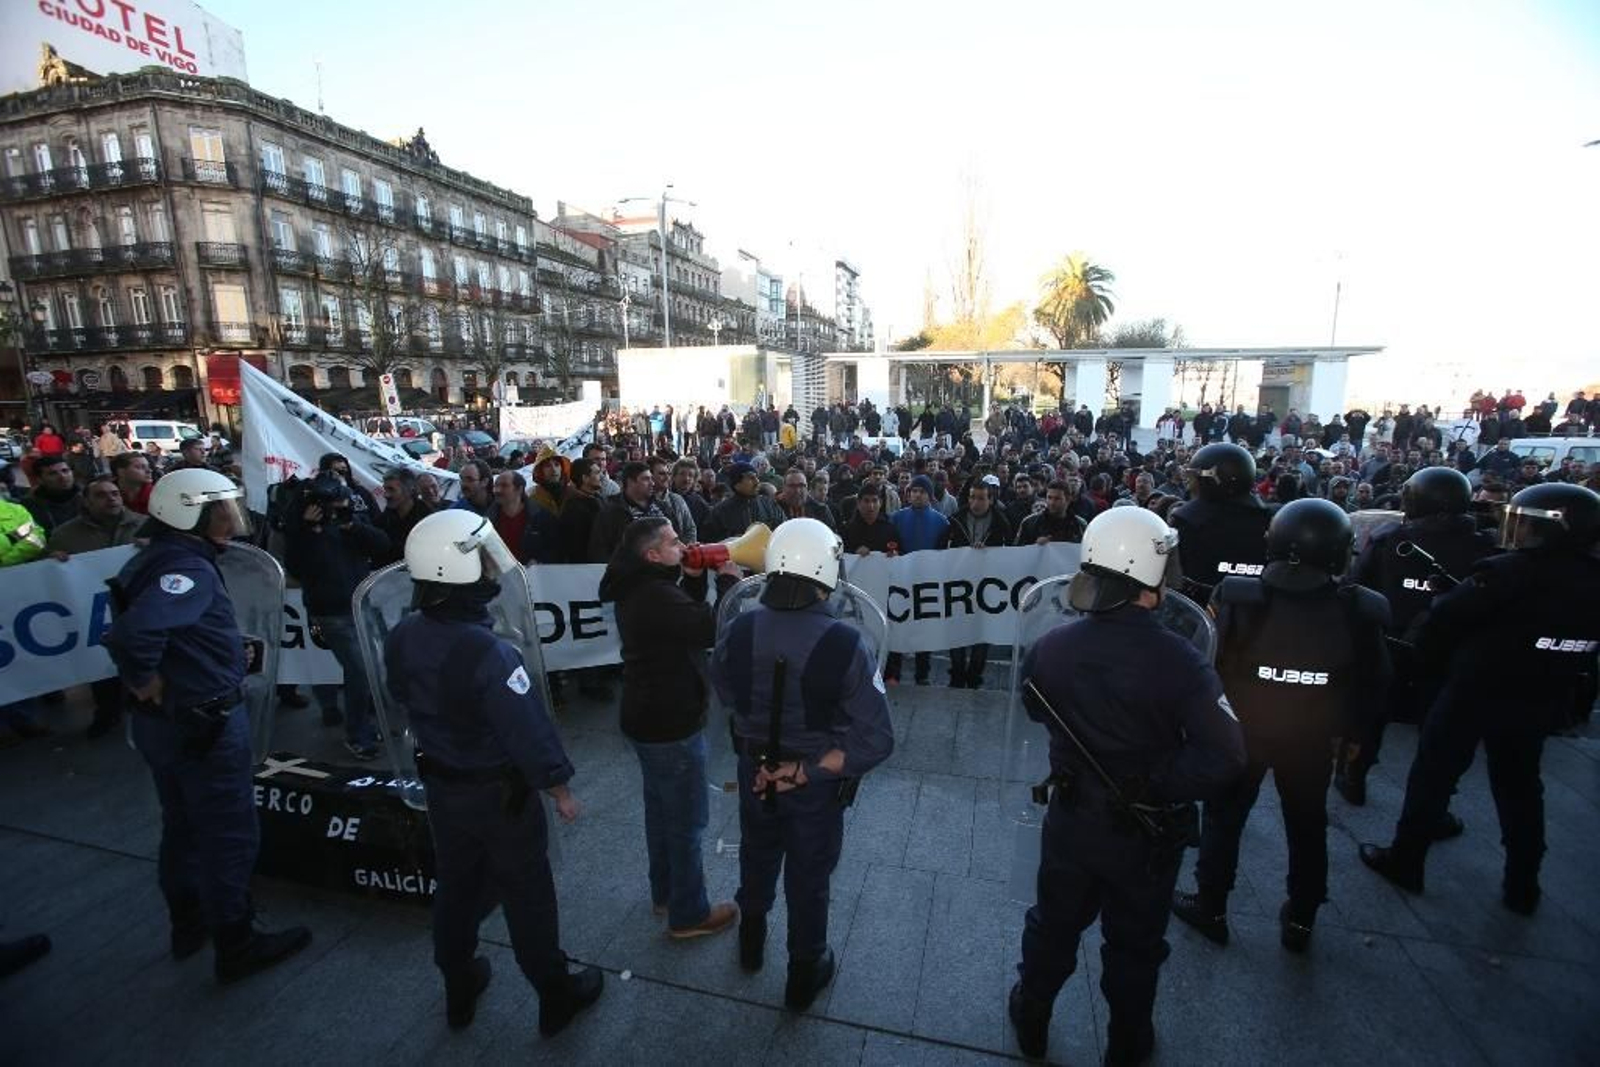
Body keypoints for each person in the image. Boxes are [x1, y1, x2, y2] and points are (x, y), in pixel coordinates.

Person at [1008, 508, 1246, 1063]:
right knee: (1135, 944)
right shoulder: (1181, 662)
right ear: (1151, 573)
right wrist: (1159, 781)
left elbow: (1034, 706)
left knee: (1053, 926)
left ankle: (1034, 1014)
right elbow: (1226, 755)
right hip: (1144, 831)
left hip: (1070, 820)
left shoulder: (1053, 648)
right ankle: (1127, 1039)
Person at [381, 510, 603, 1036]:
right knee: (527, 892)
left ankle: (459, 981)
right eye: (479, 557)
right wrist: (559, 787)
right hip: (498, 795)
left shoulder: (404, 635)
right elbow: (527, 731)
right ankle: (555, 993)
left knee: (456, 887)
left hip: (442, 788)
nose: (489, 566)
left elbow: (399, 696)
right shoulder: (489, 653)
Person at [101, 467, 312, 982]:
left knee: (182, 824)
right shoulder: (186, 569)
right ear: (190, 513)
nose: (228, 516)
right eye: (218, 507)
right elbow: (135, 632)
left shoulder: (159, 556)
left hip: (169, 722)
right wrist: (142, 674)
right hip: (202, 722)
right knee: (227, 832)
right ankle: (236, 941)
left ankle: (189, 919)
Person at [1360, 483, 1600, 915]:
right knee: (1522, 789)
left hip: (1477, 692)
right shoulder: (1592, 580)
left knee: (1433, 775)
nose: (1518, 531)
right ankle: (1523, 884)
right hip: (1541, 699)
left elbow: (1443, 620)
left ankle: (1407, 859)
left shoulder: (1509, 572)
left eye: (1526, 523)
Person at [1171, 499, 1390, 954]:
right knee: (1307, 825)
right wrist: (1356, 739)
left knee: (1225, 819)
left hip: (1243, 731)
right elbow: (1374, 683)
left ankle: (1211, 905)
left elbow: (1204, 663)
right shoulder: (1359, 609)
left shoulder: (1236, 596)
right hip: (1312, 738)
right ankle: (1302, 919)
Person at [710, 518, 894, 1009]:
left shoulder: (740, 625)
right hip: (814, 783)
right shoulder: (847, 642)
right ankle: (804, 969)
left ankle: (751, 939)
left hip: (754, 770)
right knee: (809, 876)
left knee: (757, 851)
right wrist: (810, 768)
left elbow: (724, 687)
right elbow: (876, 740)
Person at [599, 518, 741, 938]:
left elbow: (683, 627)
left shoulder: (641, 585)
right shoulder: (655, 593)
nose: (683, 546)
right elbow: (709, 627)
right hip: (671, 721)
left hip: (648, 716)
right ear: (652, 554)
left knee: (661, 814)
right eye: (674, 542)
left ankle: (666, 893)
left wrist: (695, 581)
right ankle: (689, 913)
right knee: (687, 821)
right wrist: (730, 586)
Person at [1340, 468, 1496, 809]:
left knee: (1370, 716)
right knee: (1441, 729)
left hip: (1390, 645)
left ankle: (1354, 777)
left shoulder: (1390, 539)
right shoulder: (1484, 545)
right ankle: (1433, 805)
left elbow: (1355, 587)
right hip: (1448, 649)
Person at [283, 471, 390, 760]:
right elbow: (295, 566)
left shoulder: (347, 522)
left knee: (369, 669)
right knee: (360, 669)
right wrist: (307, 532)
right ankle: (357, 734)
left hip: (361, 604)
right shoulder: (301, 529)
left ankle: (364, 724)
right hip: (331, 613)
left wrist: (351, 524)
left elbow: (381, 544)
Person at [46, 475, 145, 738]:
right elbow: (47, 576)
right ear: (86, 502)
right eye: (101, 495)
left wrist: (152, 547)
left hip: (139, 609)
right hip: (94, 615)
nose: (110, 499)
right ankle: (108, 713)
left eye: (114, 493)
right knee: (102, 668)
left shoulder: (145, 526)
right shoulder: (65, 535)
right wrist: (51, 560)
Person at [1168, 442, 1272, 601]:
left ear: (1212, 478)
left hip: (1201, 611)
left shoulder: (1187, 520)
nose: (1190, 483)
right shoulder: (1272, 518)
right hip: (1261, 610)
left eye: (1194, 476)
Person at [945, 475, 1012, 688]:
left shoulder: (1002, 523)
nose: (975, 502)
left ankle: (974, 676)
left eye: (981, 498)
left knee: (982, 633)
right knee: (956, 632)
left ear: (990, 500)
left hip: (988, 588)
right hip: (959, 586)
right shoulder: (955, 519)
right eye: (972, 497)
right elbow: (944, 551)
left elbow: (1010, 554)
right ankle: (956, 675)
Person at [886, 476, 949, 685]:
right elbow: (890, 546)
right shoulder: (896, 518)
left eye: (921, 491)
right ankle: (893, 672)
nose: (917, 495)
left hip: (927, 583)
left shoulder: (941, 522)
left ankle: (922, 673)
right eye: (914, 491)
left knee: (924, 628)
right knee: (897, 625)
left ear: (929, 496)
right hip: (901, 582)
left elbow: (944, 555)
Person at [587, 462, 664, 563]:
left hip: (661, 571)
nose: (652, 483)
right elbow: (599, 549)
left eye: (651, 479)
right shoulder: (610, 511)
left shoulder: (662, 507)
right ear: (630, 482)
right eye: (646, 479)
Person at [488, 469, 560, 565]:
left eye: (504, 486)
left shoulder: (541, 517)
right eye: (496, 486)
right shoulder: (487, 519)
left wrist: (539, 561)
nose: (497, 490)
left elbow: (556, 548)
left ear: (519, 489)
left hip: (533, 576)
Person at [700, 462, 783, 543]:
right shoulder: (720, 512)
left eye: (756, 477)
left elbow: (783, 530)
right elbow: (708, 541)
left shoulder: (769, 505)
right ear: (737, 483)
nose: (757, 481)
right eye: (751, 478)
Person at [374, 469, 434, 567]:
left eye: (391, 490)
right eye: (385, 490)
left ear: (410, 491)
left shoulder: (428, 521)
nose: (386, 495)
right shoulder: (382, 521)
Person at [21, 453, 82, 536]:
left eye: (65, 471)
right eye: (53, 474)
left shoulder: (88, 497)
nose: (62, 476)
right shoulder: (29, 506)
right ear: (39, 479)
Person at [1014, 480, 1088, 545]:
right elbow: (1018, 552)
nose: (1052, 503)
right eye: (1049, 498)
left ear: (1068, 499)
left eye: (1057, 499)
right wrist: (1034, 546)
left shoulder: (1080, 526)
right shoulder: (1030, 523)